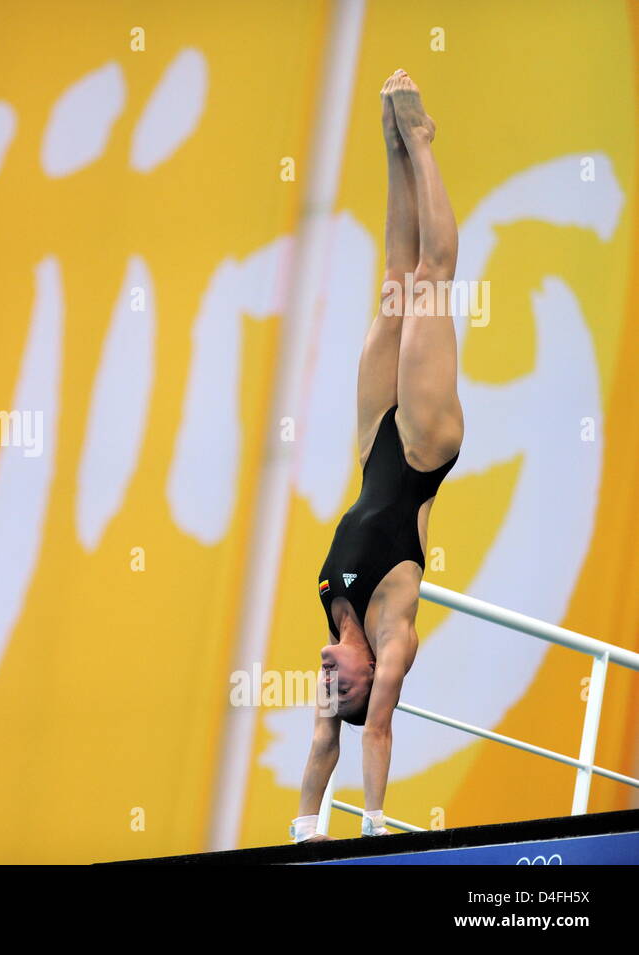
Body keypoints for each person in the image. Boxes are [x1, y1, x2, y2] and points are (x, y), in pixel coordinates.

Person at [291, 70, 464, 843]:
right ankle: (424, 144)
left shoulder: (331, 612)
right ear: (369, 683)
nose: (328, 674)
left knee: (393, 284)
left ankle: (390, 144)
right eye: (343, 684)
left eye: (330, 680)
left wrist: (304, 828)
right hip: (424, 447)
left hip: (373, 447)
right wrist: (367, 822)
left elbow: (324, 738)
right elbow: (371, 731)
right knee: (430, 282)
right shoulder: (394, 644)